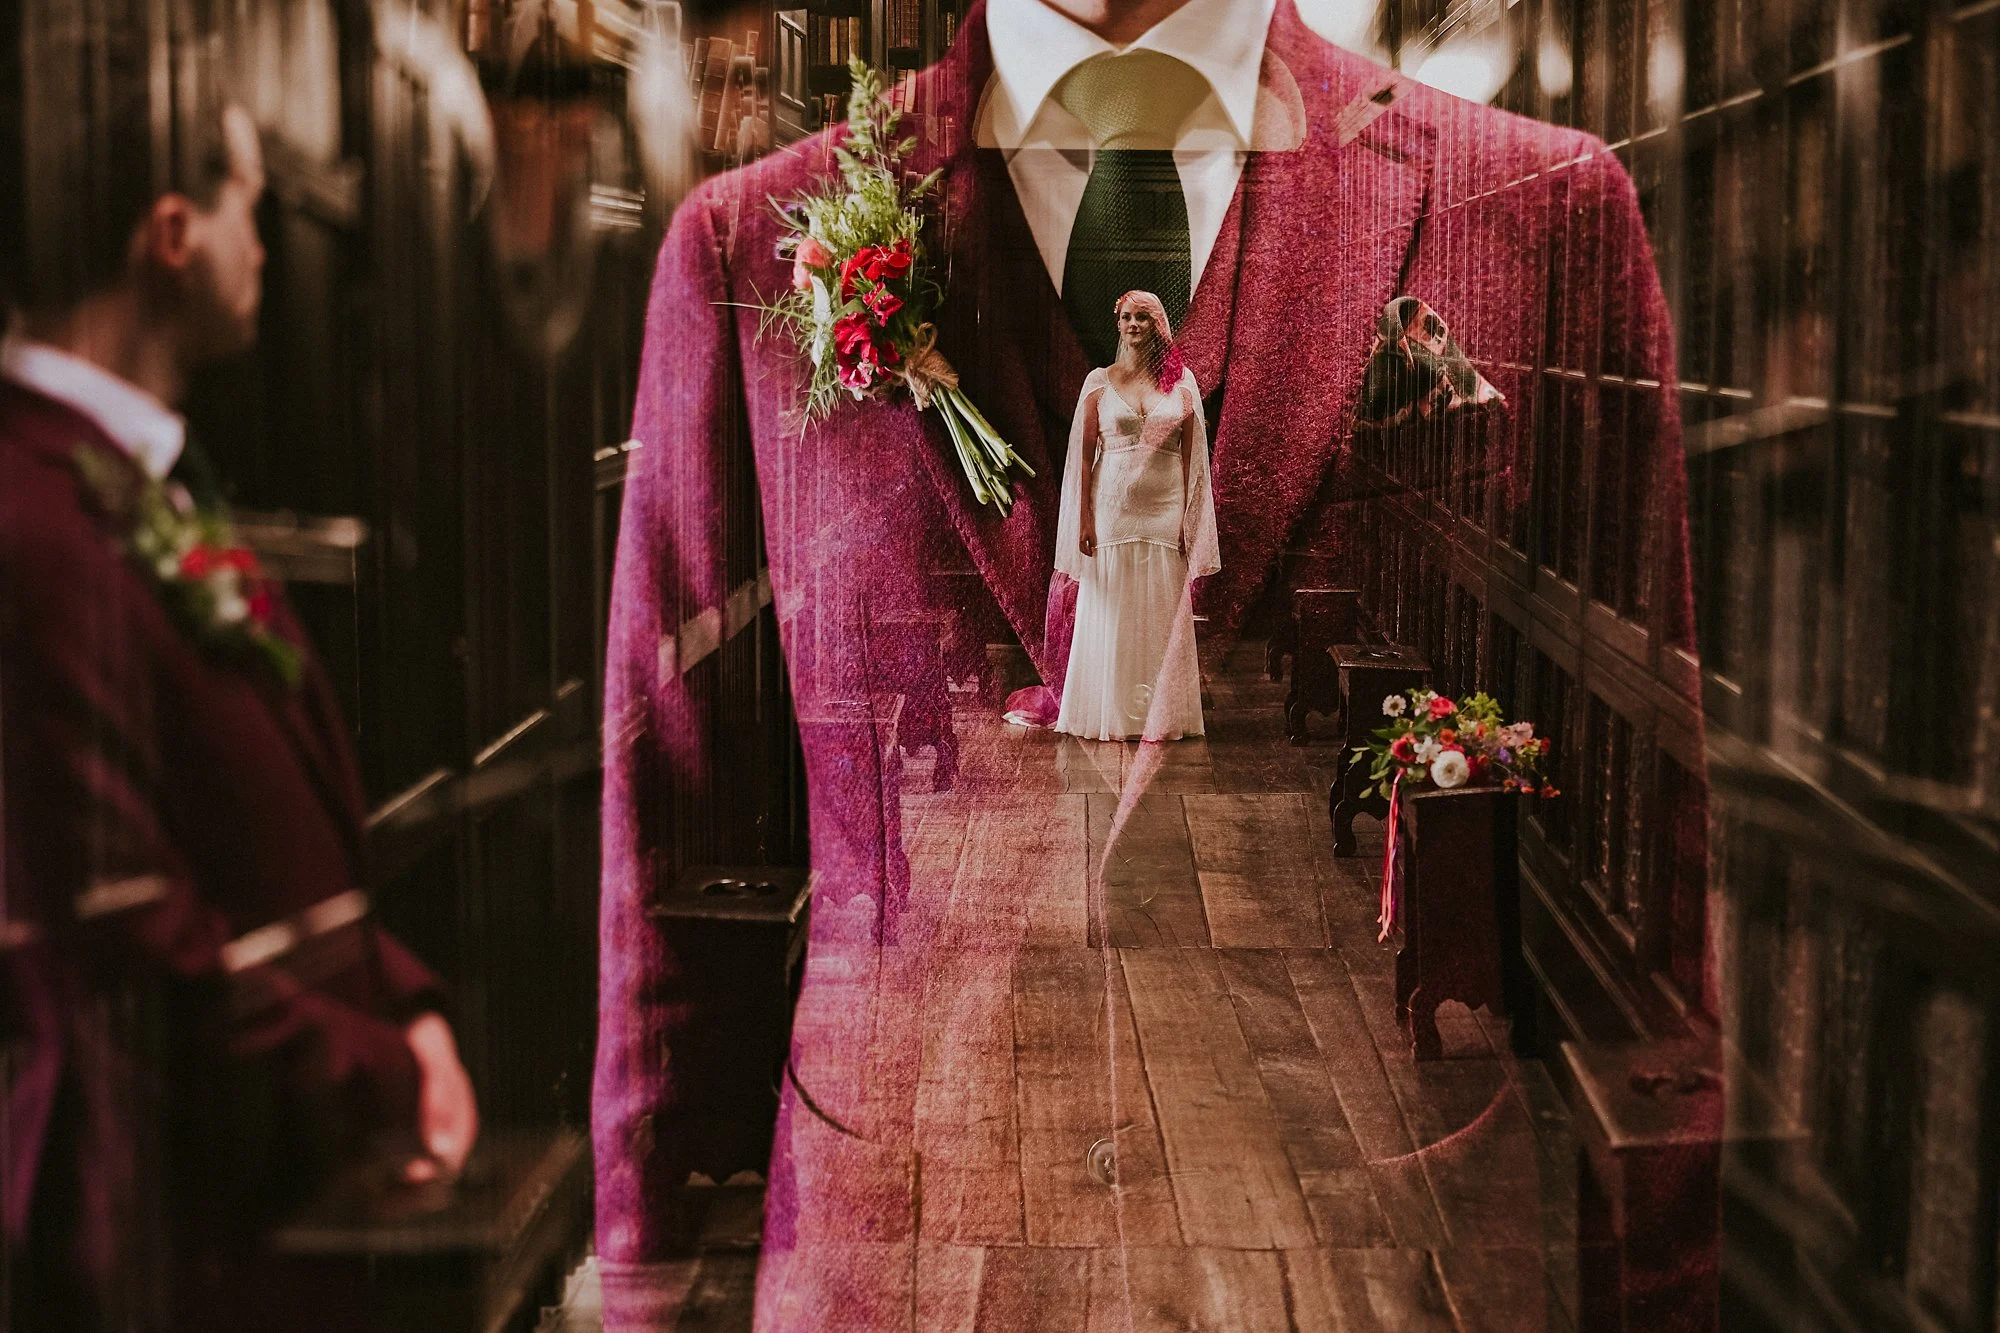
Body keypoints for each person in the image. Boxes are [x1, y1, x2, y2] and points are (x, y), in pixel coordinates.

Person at [595, 0, 1701, 1324]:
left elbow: (1649, 847)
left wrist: (1664, 1284)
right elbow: (668, 803)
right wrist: (643, 1280)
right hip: (904, 1253)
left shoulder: (1540, 210)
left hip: (1382, 1252)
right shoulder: (747, 243)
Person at [0, 35, 476, 1331]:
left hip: (268, 1209)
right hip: (159, 1247)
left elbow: (244, 837)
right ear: (172, 232)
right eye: (248, 204)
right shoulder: (33, 526)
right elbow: (124, 942)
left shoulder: (137, 480)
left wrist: (407, 1002)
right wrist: (379, 1072)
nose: (265, 239)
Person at [1053, 290, 1218, 739]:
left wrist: (1191, 520)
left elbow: (1193, 459)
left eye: (1141, 317)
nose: (1132, 324)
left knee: (1161, 609)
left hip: (1163, 509)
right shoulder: (1099, 382)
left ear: (1158, 325)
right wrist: (1085, 519)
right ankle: (1109, 711)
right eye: (1125, 316)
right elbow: (1083, 459)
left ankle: (1160, 716)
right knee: (1112, 608)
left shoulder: (1182, 384)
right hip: (1112, 510)